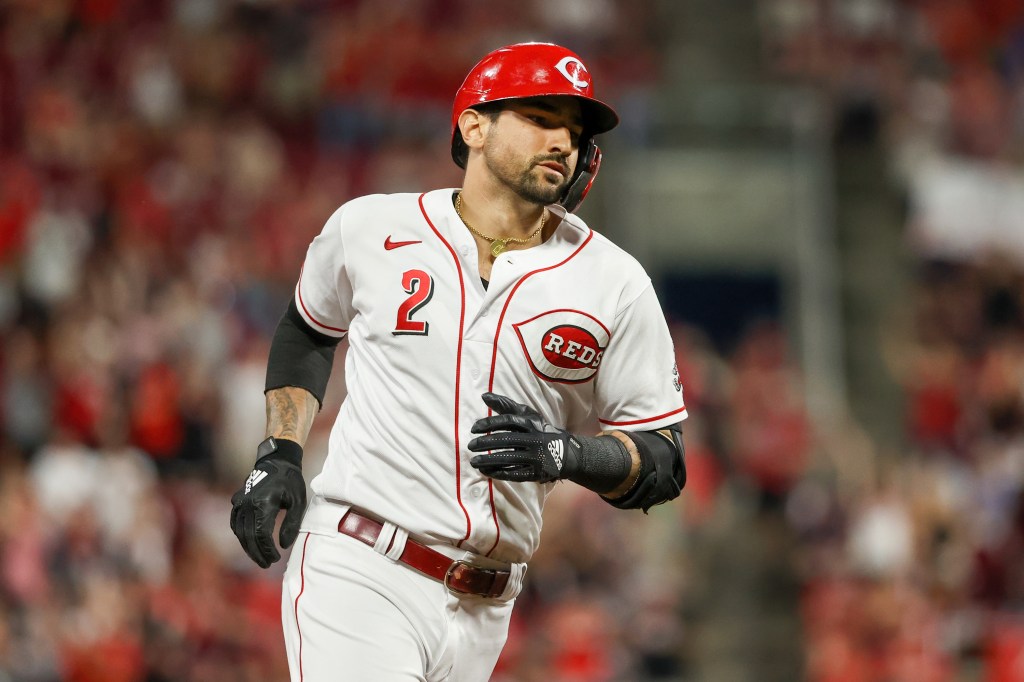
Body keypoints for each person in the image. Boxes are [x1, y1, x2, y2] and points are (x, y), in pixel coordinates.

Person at [229, 42, 687, 681]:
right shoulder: (371, 226)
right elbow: (308, 328)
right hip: (359, 563)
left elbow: (664, 459)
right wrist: (279, 453)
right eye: (541, 117)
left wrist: (568, 454)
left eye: (575, 130)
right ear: (474, 124)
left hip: (486, 609)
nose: (563, 140)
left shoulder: (614, 281)